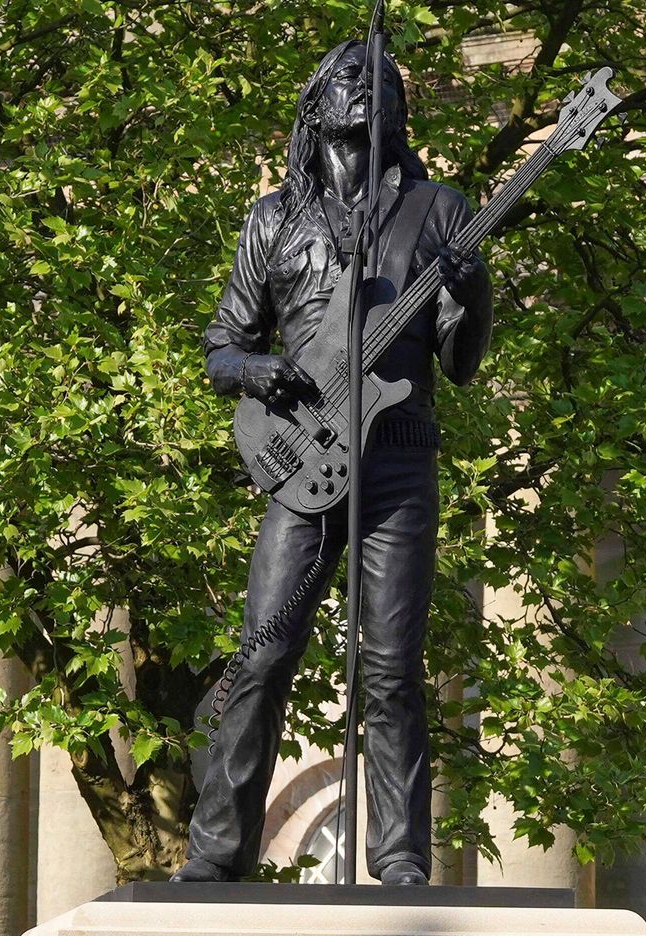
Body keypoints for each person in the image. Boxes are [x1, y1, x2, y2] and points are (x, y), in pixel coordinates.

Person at [171, 39, 492, 885]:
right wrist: (252, 370)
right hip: (301, 465)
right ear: (315, 106)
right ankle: (215, 852)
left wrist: (474, 292)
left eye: (385, 81)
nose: (370, 89)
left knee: (390, 669)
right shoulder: (272, 219)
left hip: (396, 466)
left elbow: (460, 365)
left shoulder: (439, 210)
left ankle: (398, 859)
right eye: (352, 77)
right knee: (263, 655)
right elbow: (220, 345)